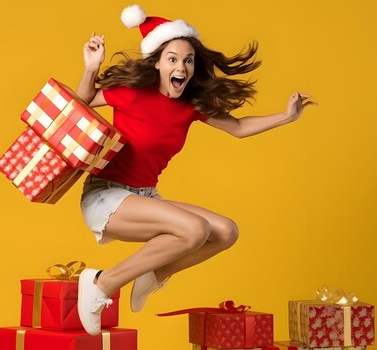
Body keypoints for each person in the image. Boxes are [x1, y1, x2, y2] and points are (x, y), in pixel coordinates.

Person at [75, 5, 316, 335]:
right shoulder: (131, 93)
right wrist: (91, 68)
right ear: (158, 63)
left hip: (145, 197)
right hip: (106, 196)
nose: (181, 67)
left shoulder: (190, 105)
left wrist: (288, 116)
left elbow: (239, 127)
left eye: (188, 60)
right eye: (172, 59)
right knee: (195, 230)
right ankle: (103, 282)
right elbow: (81, 102)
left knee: (226, 232)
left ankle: (154, 272)